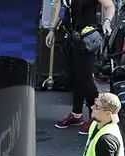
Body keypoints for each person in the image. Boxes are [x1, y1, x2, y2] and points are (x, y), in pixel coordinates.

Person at [46, 0, 116, 134]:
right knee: (74, 76)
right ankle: (76, 114)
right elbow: (60, 7)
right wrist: (52, 29)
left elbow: (110, 5)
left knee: (85, 79)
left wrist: (107, 21)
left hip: (87, 38)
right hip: (70, 36)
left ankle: (95, 117)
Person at [78, 92, 125, 156]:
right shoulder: (96, 124)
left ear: (108, 113)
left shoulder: (106, 140)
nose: (92, 107)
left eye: (97, 106)